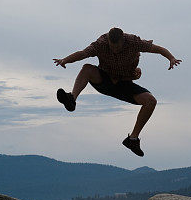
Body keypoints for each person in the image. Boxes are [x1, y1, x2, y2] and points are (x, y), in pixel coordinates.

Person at [53, 27, 182, 156]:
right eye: (112, 47)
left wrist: (171, 58)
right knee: (87, 68)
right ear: (108, 41)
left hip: (124, 84)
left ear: (123, 41)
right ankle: (71, 99)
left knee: (151, 101)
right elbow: (83, 53)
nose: (114, 50)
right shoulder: (101, 43)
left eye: (117, 47)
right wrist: (65, 60)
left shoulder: (133, 42)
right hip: (105, 80)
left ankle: (132, 139)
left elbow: (158, 49)